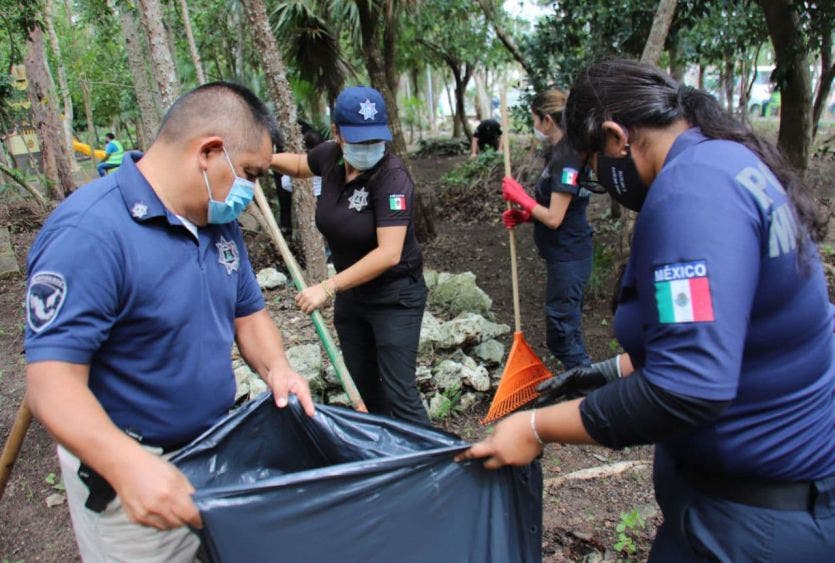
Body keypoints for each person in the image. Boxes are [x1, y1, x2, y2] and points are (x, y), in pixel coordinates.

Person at [457, 59, 835, 561]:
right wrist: (610, 370)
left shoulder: (691, 193)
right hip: (741, 503)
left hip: (756, 524)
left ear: (616, 138)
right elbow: (729, 330)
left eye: (593, 163)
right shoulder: (724, 160)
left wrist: (535, 428)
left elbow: (689, 385)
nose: (596, 176)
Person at [25, 81, 315, 562]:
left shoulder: (218, 223)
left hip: (214, 451)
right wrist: (126, 465)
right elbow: (50, 385)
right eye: (249, 173)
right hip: (132, 474)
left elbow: (249, 313)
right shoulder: (90, 233)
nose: (251, 191)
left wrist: (277, 368)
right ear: (208, 152)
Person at [270, 85, 430, 426]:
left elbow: (389, 253)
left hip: (395, 297)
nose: (368, 147)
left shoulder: (392, 177)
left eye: (375, 139)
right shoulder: (330, 157)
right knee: (364, 388)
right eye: (358, 139)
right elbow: (298, 164)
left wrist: (327, 287)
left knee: (400, 394)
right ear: (337, 132)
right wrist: (262, 160)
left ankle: (435, 457)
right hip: (353, 297)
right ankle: (382, 452)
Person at [501, 90, 594, 370]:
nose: (535, 125)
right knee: (565, 329)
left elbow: (554, 218)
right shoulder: (560, 152)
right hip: (563, 254)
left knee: (562, 335)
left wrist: (521, 197)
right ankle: (579, 380)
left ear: (548, 121)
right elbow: (560, 208)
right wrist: (526, 215)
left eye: (534, 119)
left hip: (570, 255)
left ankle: (584, 386)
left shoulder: (568, 155)